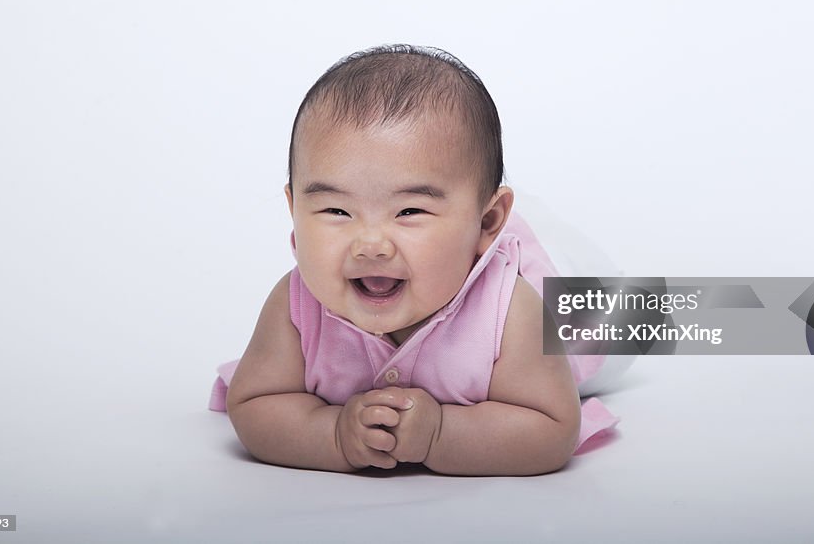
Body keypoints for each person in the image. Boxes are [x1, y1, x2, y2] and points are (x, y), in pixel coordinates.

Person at [209, 44, 616, 475]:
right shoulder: (296, 306)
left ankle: (529, 230)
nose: (370, 244)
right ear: (294, 209)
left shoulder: (512, 310)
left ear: (488, 221)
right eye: (336, 211)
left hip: (556, 295)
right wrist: (331, 433)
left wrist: (442, 433)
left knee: (625, 320)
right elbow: (256, 405)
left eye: (409, 211)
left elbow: (552, 430)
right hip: (460, 233)